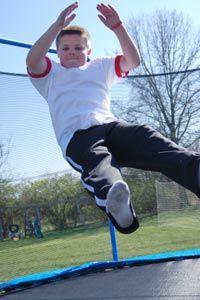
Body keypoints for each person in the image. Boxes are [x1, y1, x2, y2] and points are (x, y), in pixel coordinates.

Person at [26, 2, 200, 234]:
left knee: (144, 134)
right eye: (66, 49)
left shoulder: (100, 66)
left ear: (89, 52)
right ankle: (117, 203)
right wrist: (56, 27)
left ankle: (195, 169)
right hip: (78, 138)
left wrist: (118, 27)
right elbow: (32, 60)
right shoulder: (50, 74)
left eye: (79, 48)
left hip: (111, 127)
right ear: (57, 52)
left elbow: (133, 61)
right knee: (99, 162)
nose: (72, 53)